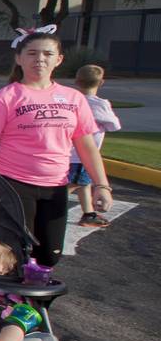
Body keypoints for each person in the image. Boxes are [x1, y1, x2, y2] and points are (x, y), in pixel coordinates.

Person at [0, 26, 111, 270]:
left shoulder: (73, 98)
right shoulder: (6, 97)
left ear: (59, 59)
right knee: (10, 255)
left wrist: (101, 185)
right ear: (19, 58)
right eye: (32, 53)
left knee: (48, 256)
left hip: (55, 188)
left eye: (47, 54)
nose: (39, 59)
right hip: (13, 185)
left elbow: (87, 147)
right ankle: (5, 306)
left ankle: (34, 307)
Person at [69, 64, 121, 228]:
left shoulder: (72, 100)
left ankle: (88, 213)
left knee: (83, 184)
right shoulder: (100, 104)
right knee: (72, 185)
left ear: (77, 81)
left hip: (70, 152)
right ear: (101, 82)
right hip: (82, 156)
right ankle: (49, 210)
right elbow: (114, 125)